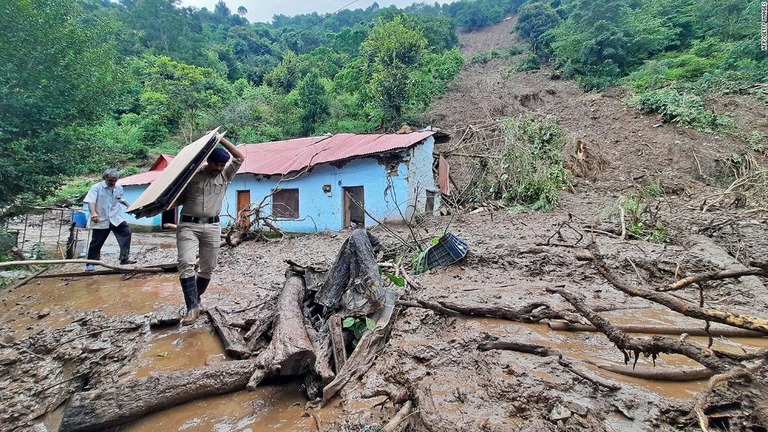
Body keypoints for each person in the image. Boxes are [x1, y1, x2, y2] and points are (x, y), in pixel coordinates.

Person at [174, 136, 245, 325]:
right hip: (188, 225)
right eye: (217, 164)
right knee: (186, 262)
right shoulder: (191, 175)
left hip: (213, 226)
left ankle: (195, 302)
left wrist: (221, 140)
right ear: (208, 161)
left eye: (223, 165)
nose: (220, 168)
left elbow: (239, 157)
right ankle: (191, 308)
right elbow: (173, 195)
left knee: (208, 267)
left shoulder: (225, 175)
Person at [83, 169, 136, 271]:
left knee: (126, 232)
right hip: (101, 218)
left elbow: (121, 198)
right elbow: (91, 202)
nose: (113, 183)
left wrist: (128, 206)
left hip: (115, 217)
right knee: (97, 241)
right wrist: (93, 213)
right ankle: (91, 263)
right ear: (105, 178)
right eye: (111, 180)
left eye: (115, 180)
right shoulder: (96, 188)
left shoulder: (118, 187)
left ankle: (124, 258)